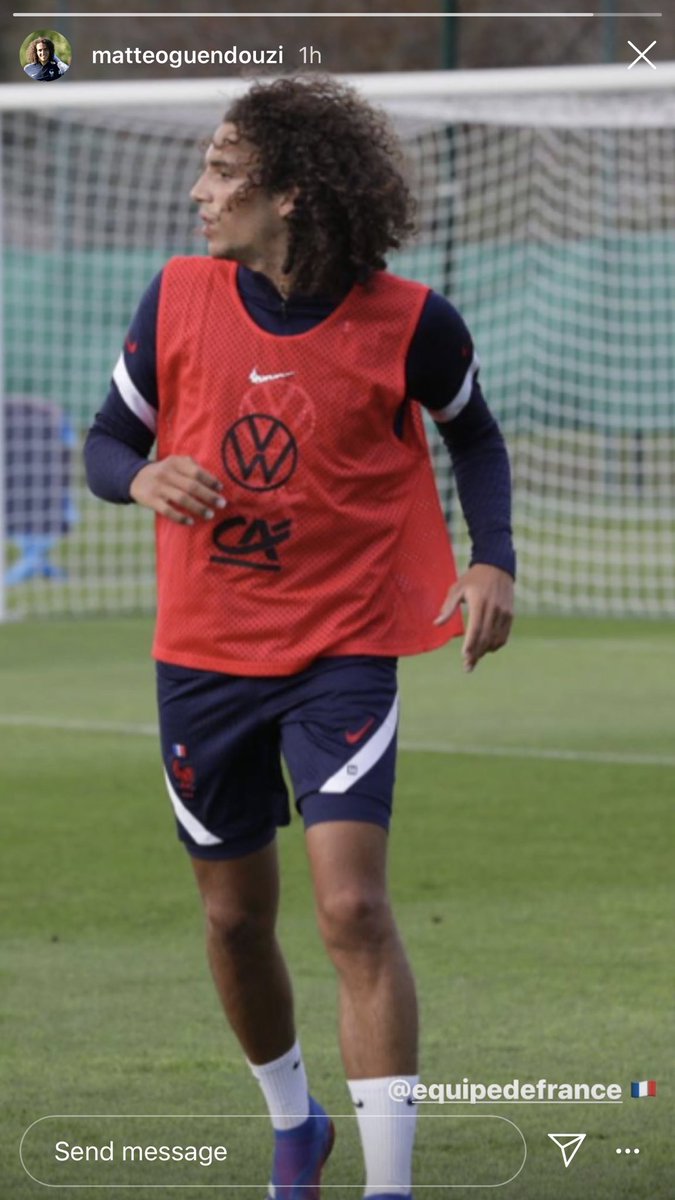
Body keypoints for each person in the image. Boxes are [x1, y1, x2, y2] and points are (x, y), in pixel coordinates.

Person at [84, 75, 515, 1200]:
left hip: (343, 649)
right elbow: (105, 444)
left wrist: (492, 558)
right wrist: (142, 478)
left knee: (352, 908)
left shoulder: (414, 323)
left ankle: (389, 1186)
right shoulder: (176, 297)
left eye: (223, 171)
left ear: (291, 195)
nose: (199, 191)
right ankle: (294, 1122)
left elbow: (475, 437)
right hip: (202, 656)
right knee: (235, 920)